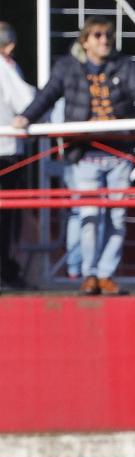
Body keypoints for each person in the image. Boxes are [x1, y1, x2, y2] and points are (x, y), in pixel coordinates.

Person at [14, 16, 135, 296]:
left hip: (119, 154)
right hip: (84, 154)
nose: (104, 40)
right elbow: (47, 95)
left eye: (108, 35)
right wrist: (25, 118)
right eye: (98, 35)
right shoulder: (66, 67)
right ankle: (89, 274)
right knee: (89, 216)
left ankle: (105, 274)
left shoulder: (124, 65)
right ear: (85, 40)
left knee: (116, 218)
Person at [0, 21, 34, 290]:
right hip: (5, 151)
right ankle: (6, 271)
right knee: (6, 216)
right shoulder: (5, 67)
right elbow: (25, 103)